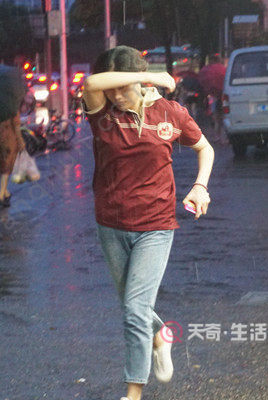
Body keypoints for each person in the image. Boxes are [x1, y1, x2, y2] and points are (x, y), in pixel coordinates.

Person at [82, 46, 214, 400]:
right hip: (110, 223)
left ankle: (133, 393)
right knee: (132, 306)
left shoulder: (169, 113)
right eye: (114, 88)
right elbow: (93, 81)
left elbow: (206, 148)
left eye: (123, 88)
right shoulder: (101, 113)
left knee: (135, 310)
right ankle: (160, 336)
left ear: (140, 87)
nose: (116, 95)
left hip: (156, 223)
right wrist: (149, 76)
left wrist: (200, 186)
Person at [0, 114, 26, 207]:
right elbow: (16, 125)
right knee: (5, 168)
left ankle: (5, 194)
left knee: (1, 167)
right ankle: (1, 196)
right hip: (7, 140)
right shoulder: (10, 106)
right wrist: (20, 140)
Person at [198, 54, 227, 143]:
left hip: (213, 97)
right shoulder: (223, 69)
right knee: (223, 118)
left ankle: (217, 135)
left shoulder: (206, 70)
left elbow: (202, 82)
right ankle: (223, 136)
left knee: (216, 117)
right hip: (223, 96)